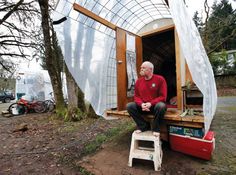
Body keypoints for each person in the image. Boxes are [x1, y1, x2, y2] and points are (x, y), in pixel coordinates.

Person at [126, 61, 167, 137]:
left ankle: (156, 128)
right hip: (143, 107)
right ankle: (143, 126)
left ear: (150, 69)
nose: (141, 69)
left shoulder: (160, 79)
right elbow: (136, 96)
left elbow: (163, 97)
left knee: (161, 106)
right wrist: (141, 104)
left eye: (143, 68)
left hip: (154, 107)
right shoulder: (138, 81)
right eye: (141, 67)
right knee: (129, 106)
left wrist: (150, 103)